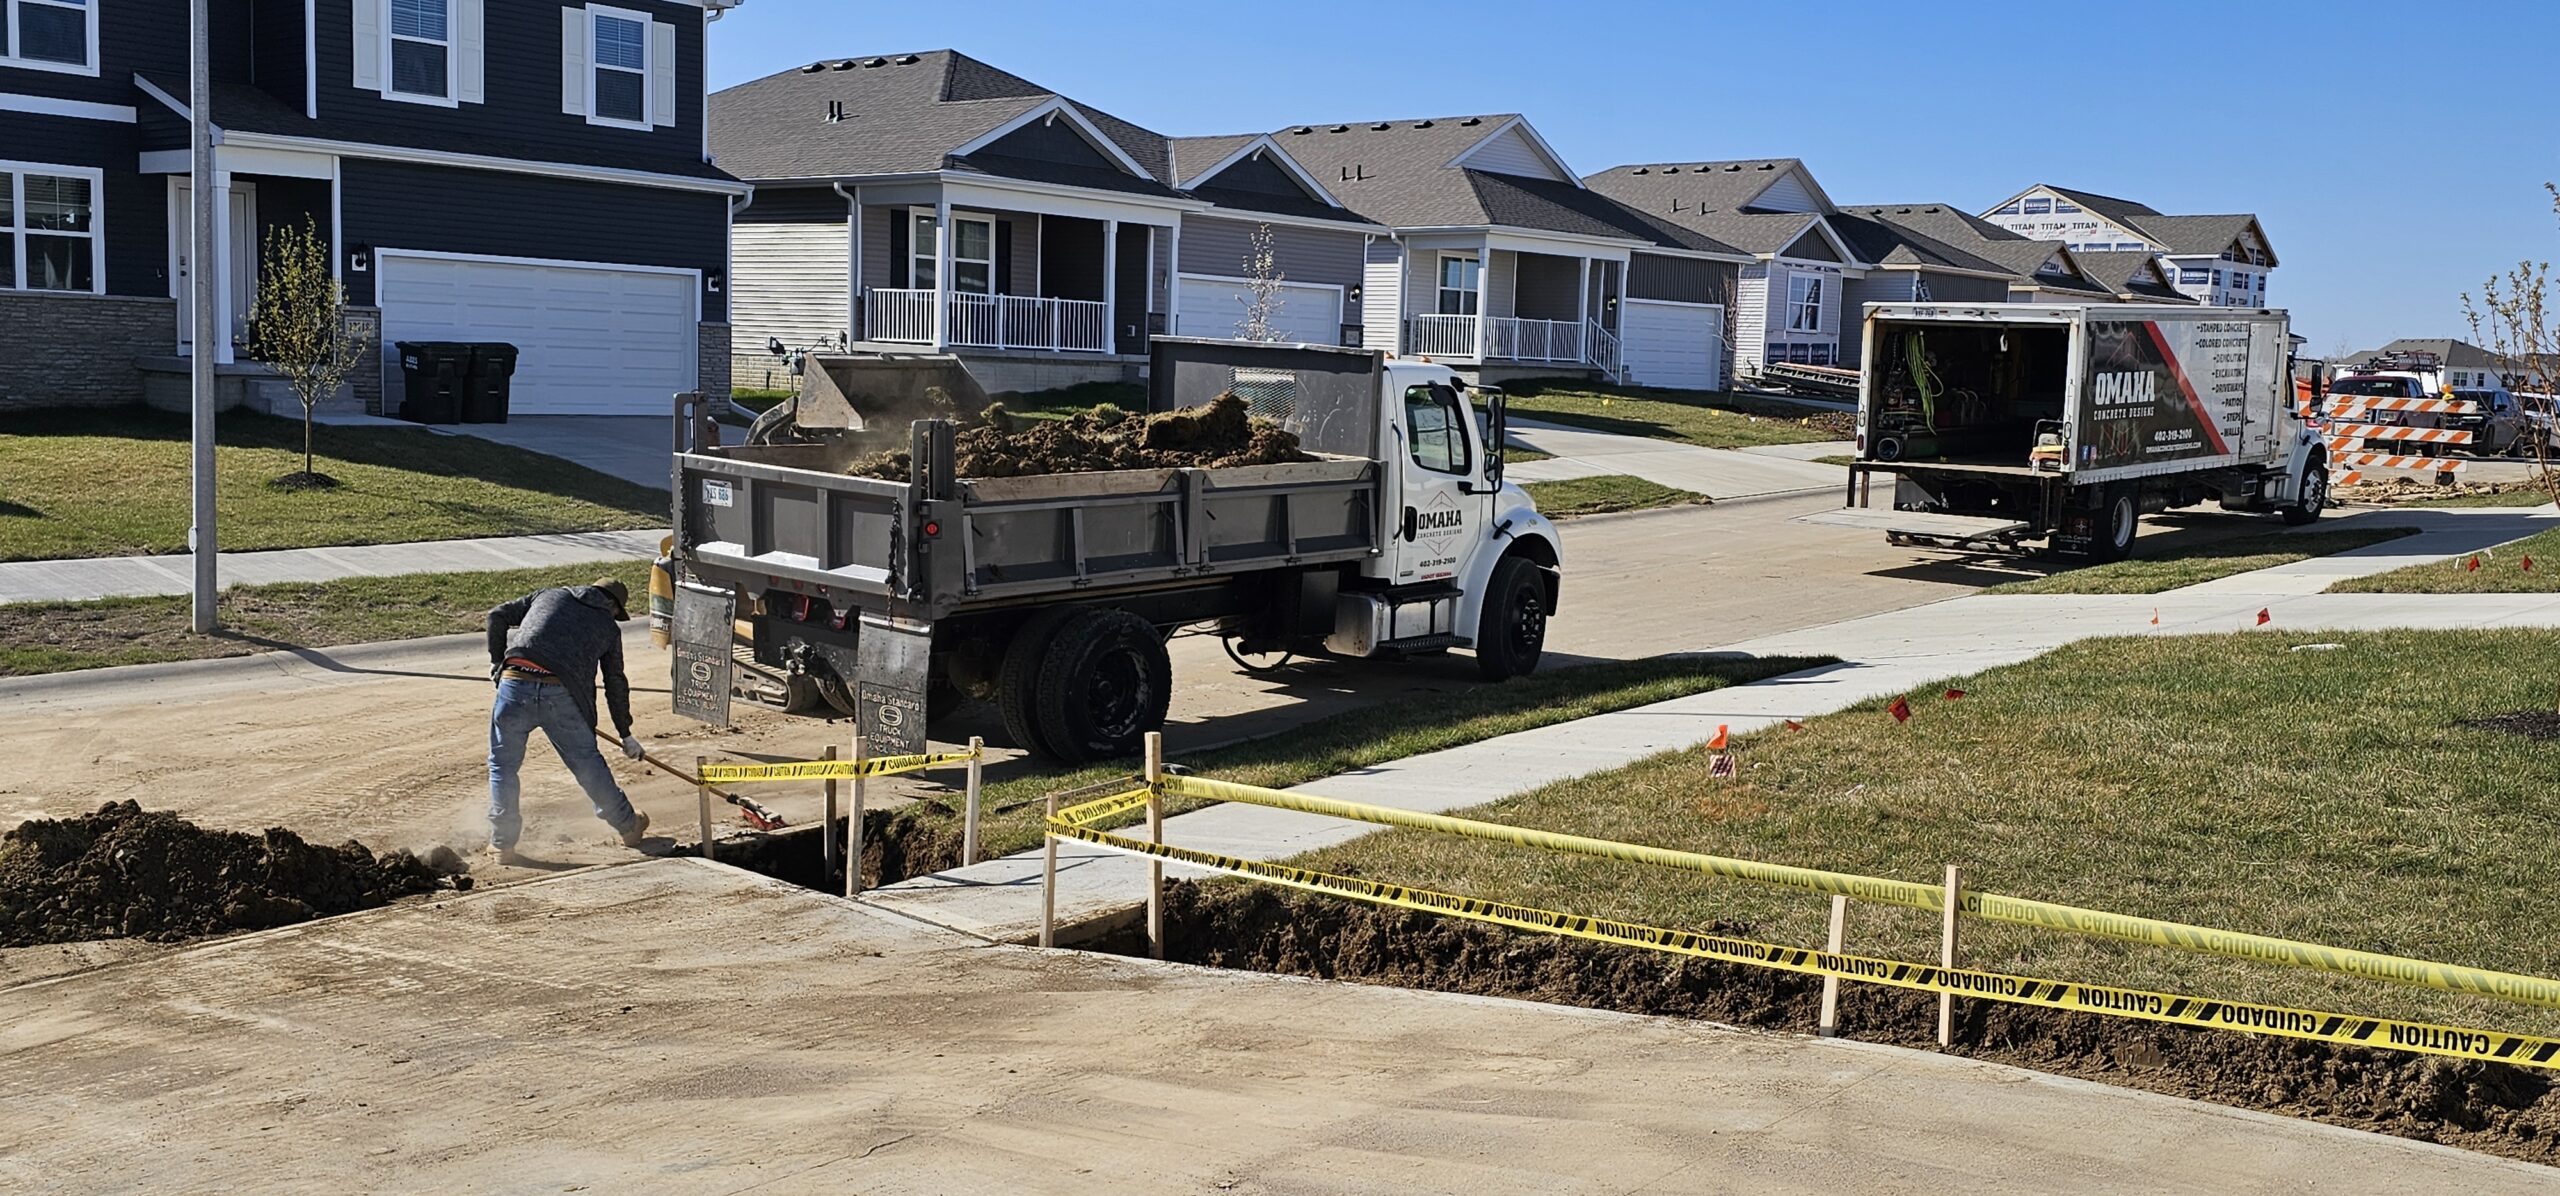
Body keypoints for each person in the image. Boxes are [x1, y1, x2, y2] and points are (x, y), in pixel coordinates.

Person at [484, 579, 651, 862]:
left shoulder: (548, 594)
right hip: (562, 694)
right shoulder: (608, 628)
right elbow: (615, 682)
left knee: (502, 765)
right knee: (586, 762)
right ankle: (628, 826)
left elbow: (496, 615)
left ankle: (502, 844)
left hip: (515, 683)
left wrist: (497, 662)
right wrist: (625, 733)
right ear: (612, 605)